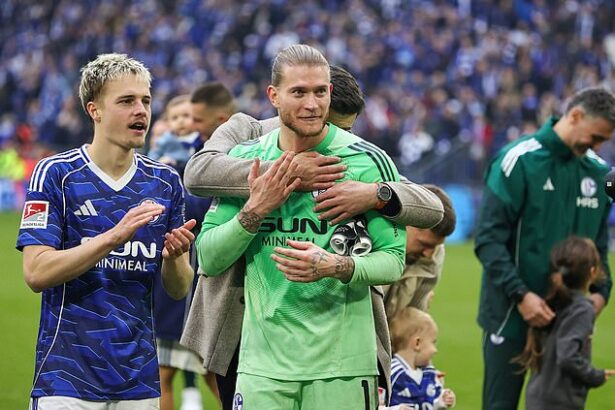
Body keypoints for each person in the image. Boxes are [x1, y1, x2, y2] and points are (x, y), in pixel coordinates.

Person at [181, 65, 444, 409]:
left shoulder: (353, 157)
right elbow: (197, 172)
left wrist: (375, 194)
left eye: (347, 129)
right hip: (242, 328)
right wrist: (289, 173)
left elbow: (429, 207)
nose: (337, 134)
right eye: (337, 125)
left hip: (337, 346)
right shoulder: (248, 131)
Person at [17, 53, 195, 408]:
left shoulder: (165, 182)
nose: (141, 111)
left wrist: (175, 259)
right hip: (66, 378)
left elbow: (179, 289)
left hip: (139, 381)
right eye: (126, 101)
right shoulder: (57, 174)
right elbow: (36, 273)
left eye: (145, 101)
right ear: (94, 110)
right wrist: (114, 236)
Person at [475, 86, 615, 410]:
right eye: (595, 137)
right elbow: (488, 240)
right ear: (575, 116)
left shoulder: (599, 173)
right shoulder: (518, 160)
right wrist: (522, 296)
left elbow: (600, 247)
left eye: (603, 141)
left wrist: (601, 293)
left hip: (566, 323)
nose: (597, 147)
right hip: (511, 314)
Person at [149, 94, 218, 410]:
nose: (181, 122)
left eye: (188, 116)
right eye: (174, 117)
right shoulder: (158, 160)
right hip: (164, 280)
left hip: (199, 278)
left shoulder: (207, 157)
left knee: (212, 372)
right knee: (163, 375)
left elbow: (201, 211)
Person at [514, 236, 614, 410]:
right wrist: (595, 376)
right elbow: (567, 356)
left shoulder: (555, 299)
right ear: (592, 272)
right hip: (559, 401)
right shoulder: (582, 309)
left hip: (538, 396)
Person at [384, 184, 456, 316]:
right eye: (424, 244)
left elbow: (412, 318)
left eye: (435, 246)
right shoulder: (368, 245)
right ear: (404, 222)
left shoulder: (434, 257)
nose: (428, 254)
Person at [389, 307, 456, 409]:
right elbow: (376, 404)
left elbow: (429, 401)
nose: (435, 350)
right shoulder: (392, 373)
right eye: (433, 342)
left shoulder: (429, 372)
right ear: (417, 343)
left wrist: (441, 400)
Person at [148, 94, 200, 172]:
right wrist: (159, 163)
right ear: (168, 123)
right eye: (175, 118)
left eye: (186, 115)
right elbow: (152, 158)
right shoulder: (166, 140)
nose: (180, 121)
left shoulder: (201, 137)